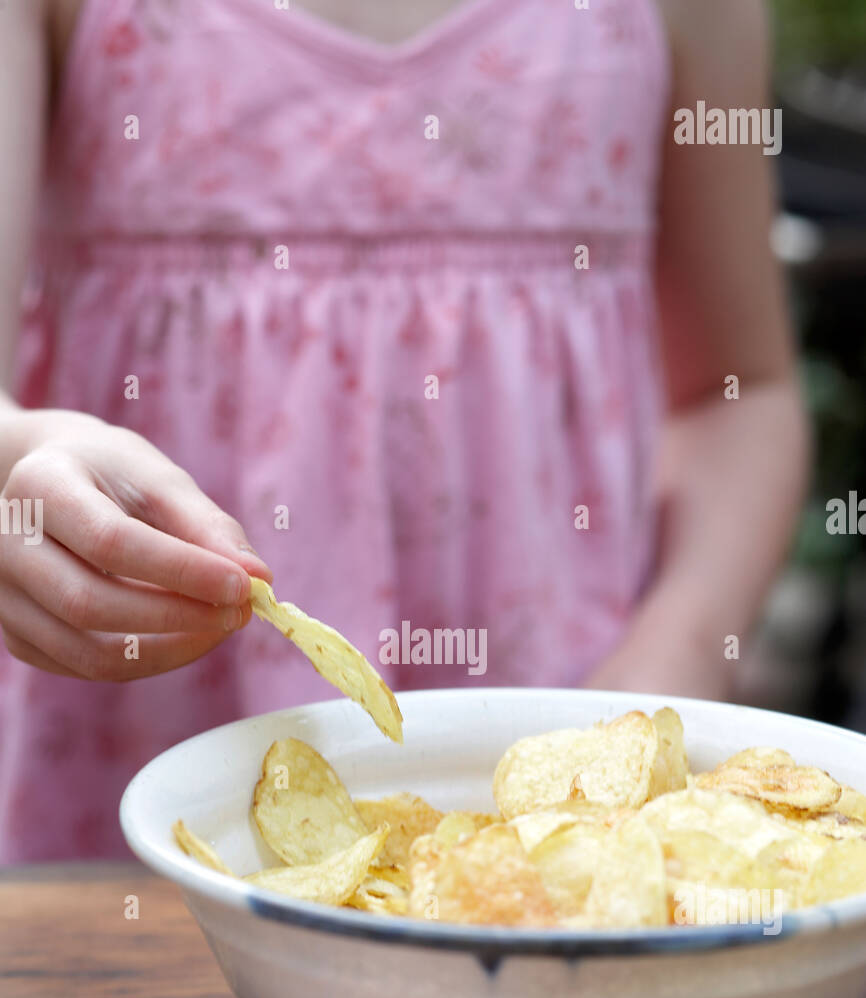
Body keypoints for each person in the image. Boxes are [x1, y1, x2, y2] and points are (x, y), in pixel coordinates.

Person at [0, 0, 808, 860]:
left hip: (565, 780)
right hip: (134, 782)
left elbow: (738, 393)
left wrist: (674, 660)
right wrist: (17, 466)